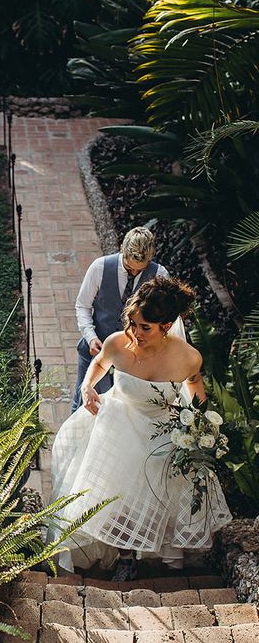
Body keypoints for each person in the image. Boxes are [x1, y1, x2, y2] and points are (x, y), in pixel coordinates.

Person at [50, 277, 232, 581]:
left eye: (145, 327)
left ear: (167, 325)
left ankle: (161, 555)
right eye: (132, 323)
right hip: (118, 424)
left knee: (156, 495)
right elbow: (99, 363)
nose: (135, 332)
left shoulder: (188, 357)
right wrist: (87, 386)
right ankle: (126, 557)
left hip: (162, 431)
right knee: (115, 494)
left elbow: (195, 387)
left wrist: (203, 425)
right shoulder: (118, 343)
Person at [71, 227, 169, 413]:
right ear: (122, 250)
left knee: (119, 413)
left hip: (134, 360)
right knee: (83, 407)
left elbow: (164, 319)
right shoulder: (100, 267)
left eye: (139, 271)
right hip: (95, 351)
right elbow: (83, 305)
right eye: (129, 268)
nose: (133, 274)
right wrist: (90, 336)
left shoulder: (160, 275)